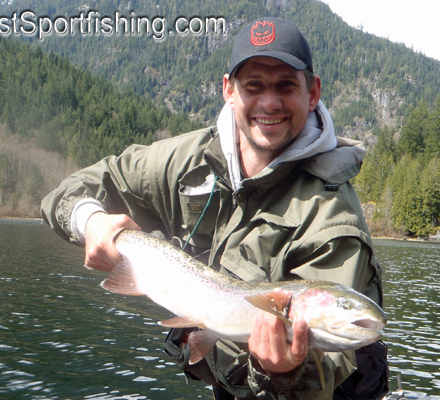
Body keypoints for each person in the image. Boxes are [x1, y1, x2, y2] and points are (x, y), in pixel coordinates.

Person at [41, 17, 389, 399]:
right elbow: (71, 189)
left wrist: (286, 371)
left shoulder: (332, 218)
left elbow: (328, 370)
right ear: (229, 90)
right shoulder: (186, 161)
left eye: (285, 85)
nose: (269, 102)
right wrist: (89, 221)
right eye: (253, 86)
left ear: (312, 92)